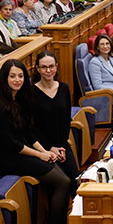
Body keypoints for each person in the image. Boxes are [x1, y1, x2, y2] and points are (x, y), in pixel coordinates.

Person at [0, 59, 77, 224]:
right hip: (12, 158)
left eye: (20, 76)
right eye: (12, 76)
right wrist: (40, 155)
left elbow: (29, 133)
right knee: (62, 182)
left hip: (26, 151)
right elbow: (13, 144)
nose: (17, 80)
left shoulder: (19, 99)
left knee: (62, 175)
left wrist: (46, 152)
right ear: (4, 78)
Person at [30, 51, 79, 185]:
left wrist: (61, 147)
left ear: (56, 67)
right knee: (64, 182)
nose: (48, 70)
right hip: (43, 147)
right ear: (38, 69)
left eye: (51, 66)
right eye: (44, 67)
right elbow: (32, 128)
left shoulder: (64, 88)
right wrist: (50, 148)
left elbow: (66, 120)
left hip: (62, 145)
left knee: (76, 180)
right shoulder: (31, 92)